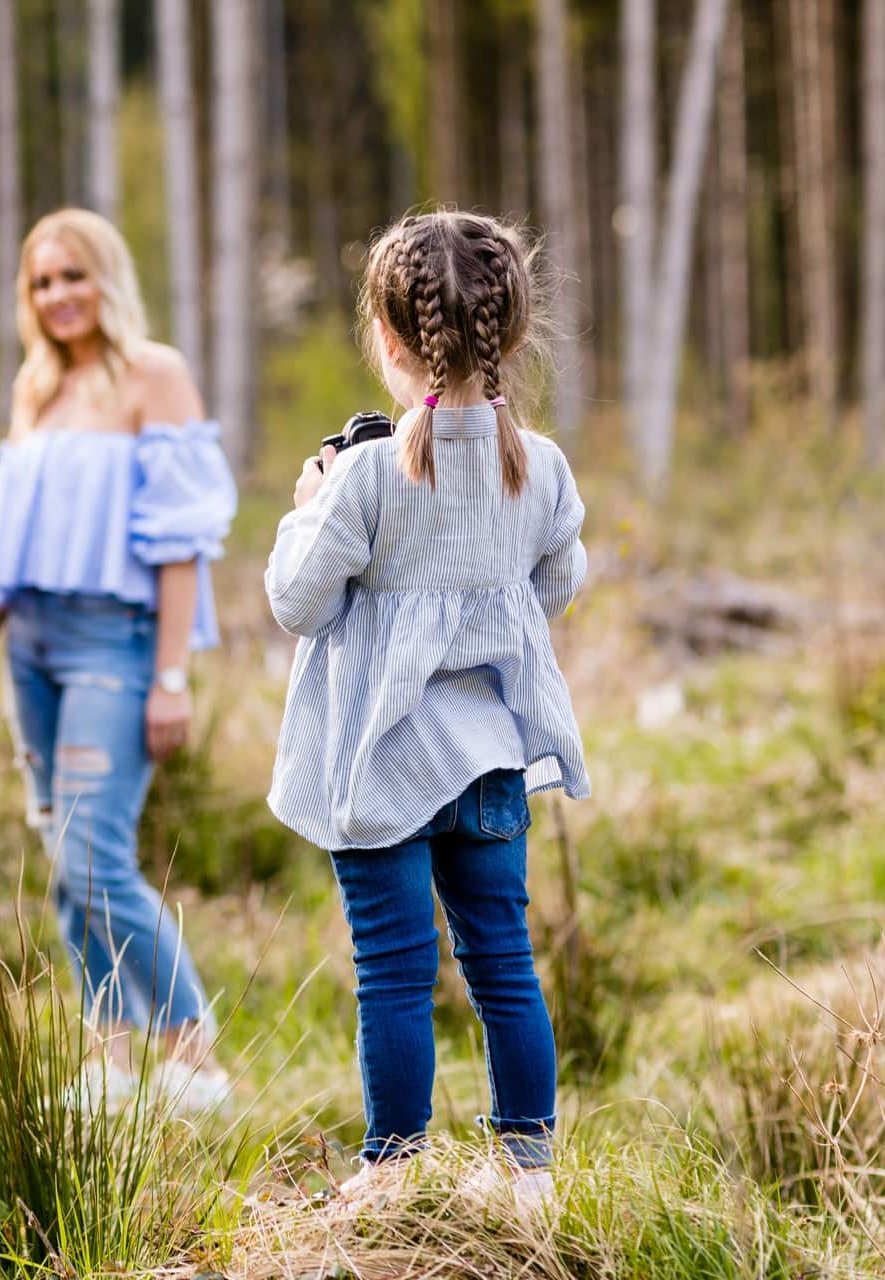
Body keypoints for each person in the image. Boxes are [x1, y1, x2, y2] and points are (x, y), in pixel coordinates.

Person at [264, 209, 590, 1209]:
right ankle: (527, 1170)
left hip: (378, 767)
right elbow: (556, 583)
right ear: (514, 333)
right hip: (490, 758)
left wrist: (308, 500)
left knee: (395, 972)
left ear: (392, 341)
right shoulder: (540, 466)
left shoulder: (363, 476)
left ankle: (395, 1165)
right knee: (503, 962)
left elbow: (297, 601)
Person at [0, 209, 237, 1112]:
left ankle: (191, 1051)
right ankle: (108, 1058)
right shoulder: (36, 388)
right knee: (60, 851)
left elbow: (180, 543)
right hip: (32, 648)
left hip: (113, 646)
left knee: (93, 857)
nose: (58, 297)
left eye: (73, 276)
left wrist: (171, 677)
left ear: (106, 279)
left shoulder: (153, 376)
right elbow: (4, 548)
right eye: (41, 282)